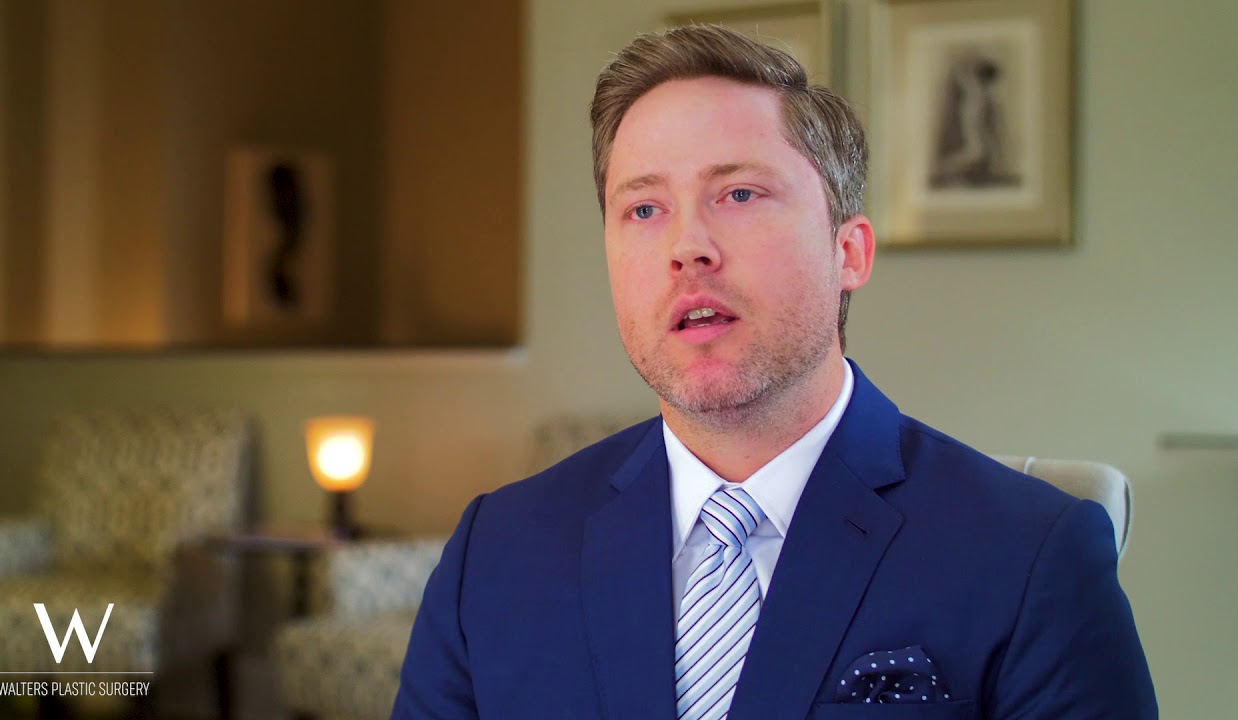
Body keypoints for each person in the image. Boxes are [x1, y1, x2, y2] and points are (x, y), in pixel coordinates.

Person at [391, 25, 1156, 719]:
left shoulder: (1032, 555)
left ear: (848, 253)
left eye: (739, 193)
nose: (687, 246)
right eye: (644, 209)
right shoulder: (495, 552)